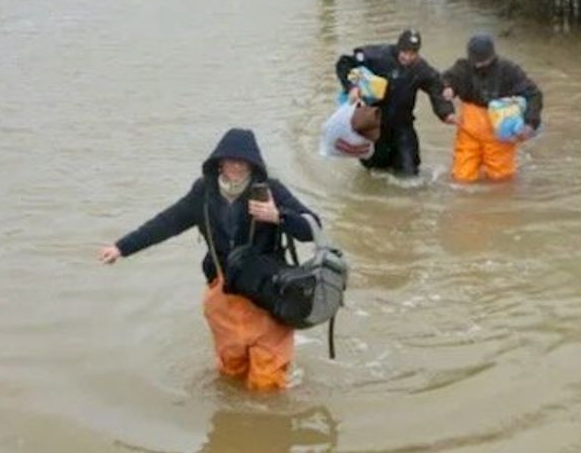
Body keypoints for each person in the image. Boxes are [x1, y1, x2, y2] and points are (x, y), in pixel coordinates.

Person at [99, 128, 319, 392]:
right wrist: (122, 247)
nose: (236, 166)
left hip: (267, 295)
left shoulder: (271, 190)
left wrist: (278, 216)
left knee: (267, 386)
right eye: (230, 160)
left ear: (254, 164)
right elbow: (167, 222)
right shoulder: (203, 191)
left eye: (243, 161)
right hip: (223, 293)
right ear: (219, 162)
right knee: (230, 375)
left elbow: (312, 228)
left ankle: (262, 413)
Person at [334, 28, 455, 176]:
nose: (408, 57)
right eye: (404, 52)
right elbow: (344, 63)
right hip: (375, 124)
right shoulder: (378, 56)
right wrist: (351, 87)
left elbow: (437, 87)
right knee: (373, 172)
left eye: (412, 54)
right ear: (398, 47)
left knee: (410, 174)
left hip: (403, 126)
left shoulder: (420, 68)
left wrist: (446, 113)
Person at [441, 34, 543, 183]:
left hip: (500, 134)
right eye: (476, 62)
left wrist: (530, 124)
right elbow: (444, 81)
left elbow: (533, 94)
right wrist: (448, 88)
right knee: (461, 178)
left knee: (502, 181)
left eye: (484, 61)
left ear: (492, 56)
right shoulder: (462, 68)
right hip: (469, 132)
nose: (479, 65)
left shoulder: (509, 70)